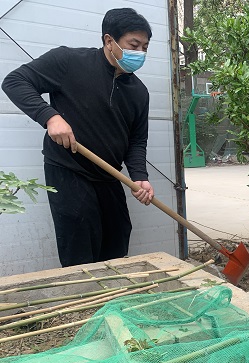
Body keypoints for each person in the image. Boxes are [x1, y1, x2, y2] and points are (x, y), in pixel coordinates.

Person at [2, 8, 155, 267]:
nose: (139, 53)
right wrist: (50, 116)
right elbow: (15, 81)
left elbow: (137, 140)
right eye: (134, 45)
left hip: (109, 175)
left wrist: (139, 176)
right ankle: (82, 292)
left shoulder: (139, 92)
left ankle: (111, 290)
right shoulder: (69, 62)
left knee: (117, 239)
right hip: (69, 170)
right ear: (109, 40)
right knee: (80, 243)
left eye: (145, 47)